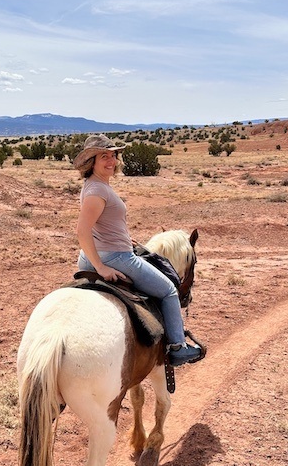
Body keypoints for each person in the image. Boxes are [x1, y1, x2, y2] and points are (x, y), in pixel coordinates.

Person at [73, 134, 205, 366]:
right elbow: (83, 231)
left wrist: (124, 238)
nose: (111, 161)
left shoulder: (95, 186)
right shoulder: (97, 191)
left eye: (113, 155)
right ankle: (177, 347)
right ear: (91, 161)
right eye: (104, 156)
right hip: (116, 258)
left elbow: (101, 225)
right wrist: (102, 267)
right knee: (168, 291)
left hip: (99, 254)